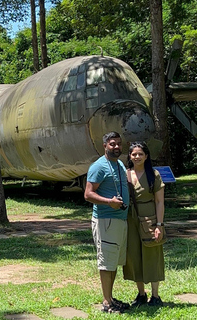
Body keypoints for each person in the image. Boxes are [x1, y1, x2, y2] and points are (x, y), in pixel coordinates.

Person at [84, 131, 130, 313]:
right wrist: (109, 202)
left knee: (114, 262)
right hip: (106, 221)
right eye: (112, 144)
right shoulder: (99, 166)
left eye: (119, 143)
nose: (116, 147)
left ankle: (111, 297)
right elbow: (88, 194)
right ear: (104, 145)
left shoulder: (119, 163)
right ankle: (106, 302)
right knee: (106, 263)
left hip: (120, 220)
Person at [123, 141, 166, 307]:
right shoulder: (125, 174)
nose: (137, 157)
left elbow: (159, 201)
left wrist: (159, 225)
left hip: (150, 219)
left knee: (152, 254)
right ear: (130, 156)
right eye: (134, 154)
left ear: (146, 156)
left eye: (140, 154)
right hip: (130, 219)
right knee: (133, 256)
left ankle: (155, 296)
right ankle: (141, 293)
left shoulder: (153, 175)